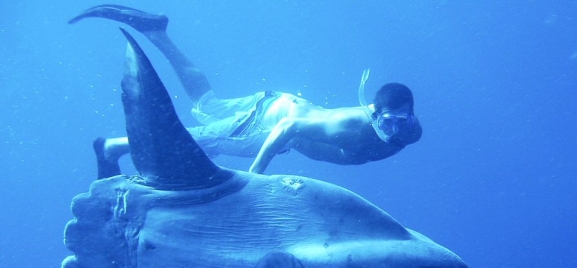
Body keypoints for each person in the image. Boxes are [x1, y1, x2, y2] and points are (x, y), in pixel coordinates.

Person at [69, 5, 422, 178]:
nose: (395, 130)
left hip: (276, 103)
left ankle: (157, 32)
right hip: (271, 124)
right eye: (388, 122)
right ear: (373, 112)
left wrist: (401, 129)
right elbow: (289, 127)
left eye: (402, 122)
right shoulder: (349, 125)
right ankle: (113, 147)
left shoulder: (409, 133)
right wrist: (255, 178)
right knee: (202, 139)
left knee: (205, 104)